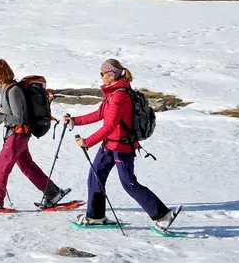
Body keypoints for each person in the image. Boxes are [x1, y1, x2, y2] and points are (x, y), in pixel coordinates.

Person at [62, 58, 179, 229]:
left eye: (102, 74)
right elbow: (99, 114)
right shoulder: (112, 93)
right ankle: (95, 216)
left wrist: (87, 142)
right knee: (95, 175)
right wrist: (74, 121)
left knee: (129, 183)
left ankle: (162, 215)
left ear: (111, 74)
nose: (101, 77)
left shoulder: (120, 96)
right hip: (109, 145)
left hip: (122, 147)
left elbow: (110, 126)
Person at [0, 59, 71, 211]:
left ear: (0, 74)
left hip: (18, 135)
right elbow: (6, 115)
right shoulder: (4, 89)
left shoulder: (13, 91)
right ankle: (53, 193)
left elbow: (19, 119)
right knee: (27, 166)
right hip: (15, 134)